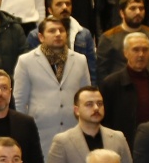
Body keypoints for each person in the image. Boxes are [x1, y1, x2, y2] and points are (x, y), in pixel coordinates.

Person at [45, 85, 138, 163]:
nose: (96, 108)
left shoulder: (118, 138)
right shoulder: (62, 142)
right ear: (76, 110)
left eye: (99, 104)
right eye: (89, 104)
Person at [13, 17, 91, 152]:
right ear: (41, 37)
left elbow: (86, 97)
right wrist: (22, 132)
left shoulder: (80, 60)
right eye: (52, 31)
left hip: (74, 129)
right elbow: (19, 101)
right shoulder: (26, 61)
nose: (58, 34)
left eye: (61, 30)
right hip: (40, 131)